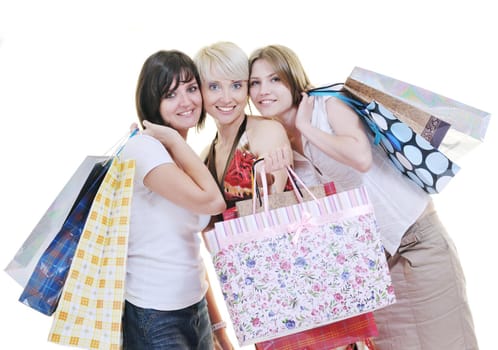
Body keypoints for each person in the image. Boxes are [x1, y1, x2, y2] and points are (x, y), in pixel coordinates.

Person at [248, 44, 479, 350]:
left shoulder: (327, 105)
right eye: (255, 83)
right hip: (371, 268)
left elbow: (360, 157)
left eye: (274, 79)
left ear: (292, 78)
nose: (264, 90)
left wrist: (305, 127)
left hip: (417, 244)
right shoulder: (274, 142)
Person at [118, 49, 228, 349]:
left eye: (191, 88)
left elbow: (189, 249)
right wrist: (173, 141)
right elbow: (213, 203)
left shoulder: (183, 154)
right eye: (170, 94)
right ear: (152, 103)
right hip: (155, 314)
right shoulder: (144, 149)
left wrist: (220, 331)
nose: (186, 101)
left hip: (195, 309)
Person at [193, 41, 292, 227]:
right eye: (214, 86)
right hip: (234, 254)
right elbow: (208, 227)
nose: (227, 98)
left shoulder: (266, 131)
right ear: (200, 91)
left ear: (247, 89)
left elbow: (273, 209)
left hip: (279, 249)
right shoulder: (206, 156)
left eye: (236, 85)